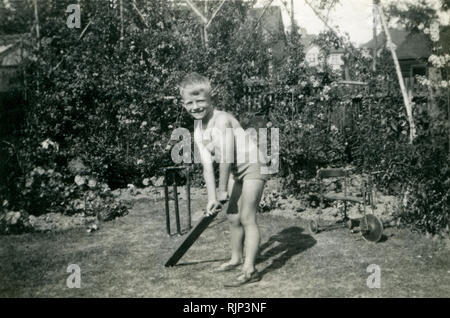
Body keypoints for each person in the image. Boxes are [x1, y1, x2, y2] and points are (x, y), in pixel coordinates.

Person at [179, 72, 269, 287]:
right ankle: (236, 258)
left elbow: (226, 158)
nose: (195, 107)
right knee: (232, 217)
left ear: (212, 99)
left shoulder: (221, 120)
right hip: (237, 172)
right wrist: (212, 196)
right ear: (183, 105)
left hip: (254, 165)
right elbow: (208, 164)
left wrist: (222, 190)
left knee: (247, 217)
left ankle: (250, 269)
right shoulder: (199, 127)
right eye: (189, 103)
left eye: (200, 101)